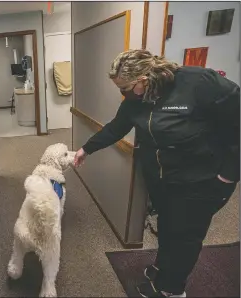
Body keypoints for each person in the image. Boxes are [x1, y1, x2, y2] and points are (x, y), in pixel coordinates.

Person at [73, 49, 240, 297]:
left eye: (125, 88)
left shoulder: (199, 82)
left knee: (185, 235)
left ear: (144, 79)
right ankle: (164, 268)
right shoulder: (135, 100)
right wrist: (87, 148)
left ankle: (171, 289)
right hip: (164, 178)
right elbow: (117, 127)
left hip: (201, 179)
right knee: (168, 225)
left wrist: (229, 174)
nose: (124, 94)